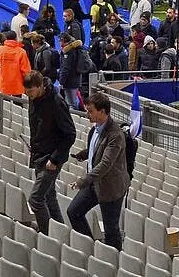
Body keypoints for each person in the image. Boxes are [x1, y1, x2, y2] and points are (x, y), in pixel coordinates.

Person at [69, 92, 131, 250]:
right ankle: (90, 248)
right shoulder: (95, 129)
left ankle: (113, 258)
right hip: (94, 183)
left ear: (102, 111)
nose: (87, 114)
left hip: (111, 188)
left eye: (90, 111)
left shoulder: (115, 135)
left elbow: (106, 163)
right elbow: (96, 150)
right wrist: (84, 154)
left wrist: (83, 181)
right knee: (73, 212)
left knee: (111, 230)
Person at [23, 71, 76, 236]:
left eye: (31, 91)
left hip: (51, 158)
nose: (28, 95)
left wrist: (55, 159)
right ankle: (61, 234)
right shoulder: (34, 98)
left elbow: (70, 134)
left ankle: (47, 236)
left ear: (41, 86)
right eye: (26, 92)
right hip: (39, 154)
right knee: (49, 197)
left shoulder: (56, 102)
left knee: (36, 199)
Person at [0, 30, 31, 97]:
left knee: (4, 102)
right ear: (16, 38)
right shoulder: (22, 52)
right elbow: (26, 71)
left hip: (3, 83)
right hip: (17, 85)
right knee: (17, 102)